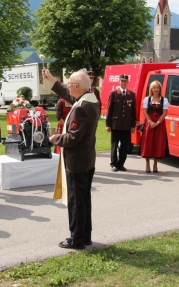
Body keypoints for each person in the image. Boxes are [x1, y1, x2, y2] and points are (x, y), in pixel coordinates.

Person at [43, 67, 99, 250]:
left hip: (77, 161)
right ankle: (85, 236)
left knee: (76, 203)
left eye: (70, 84)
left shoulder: (82, 108)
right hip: (87, 159)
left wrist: (54, 138)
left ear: (76, 86)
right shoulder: (90, 99)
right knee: (84, 201)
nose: (68, 87)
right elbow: (68, 95)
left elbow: (73, 138)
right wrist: (52, 79)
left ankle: (76, 239)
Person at [105, 74, 137, 172]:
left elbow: (133, 111)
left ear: (128, 82)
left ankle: (121, 164)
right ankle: (114, 163)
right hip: (116, 123)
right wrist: (108, 124)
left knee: (124, 146)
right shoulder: (114, 93)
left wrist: (133, 125)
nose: (123, 83)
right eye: (122, 81)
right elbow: (109, 109)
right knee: (114, 145)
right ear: (119, 82)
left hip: (126, 124)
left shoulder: (131, 94)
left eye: (125, 81)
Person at [140, 80, 169, 173]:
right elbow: (145, 111)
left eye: (157, 88)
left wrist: (157, 122)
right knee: (148, 143)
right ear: (151, 89)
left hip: (159, 124)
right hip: (149, 123)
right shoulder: (147, 99)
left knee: (158, 144)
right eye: (154, 88)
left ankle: (155, 164)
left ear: (160, 89)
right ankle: (147, 164)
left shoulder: (164, 100)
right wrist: (150, 121)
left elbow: (164, 113)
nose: (156, 89)